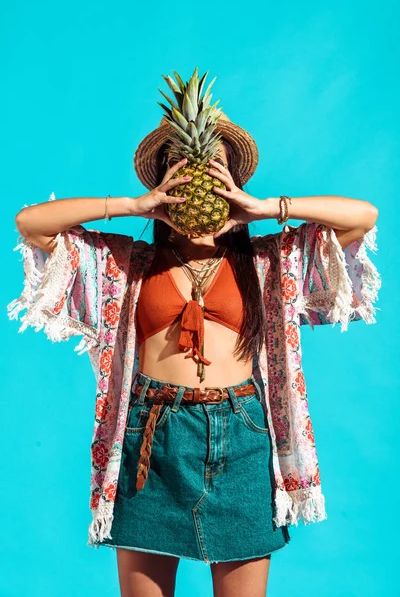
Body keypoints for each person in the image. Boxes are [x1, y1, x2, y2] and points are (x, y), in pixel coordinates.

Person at [8, 114, 380, 597]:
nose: (199, 177)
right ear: (165, 182)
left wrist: (267, 208)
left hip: (242, 434)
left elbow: (363, 217)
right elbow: (30, 224)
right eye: (181, 168)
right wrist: (133, 206)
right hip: (152, 435)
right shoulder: (129, 263)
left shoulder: (267, 260)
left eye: (213, 166)